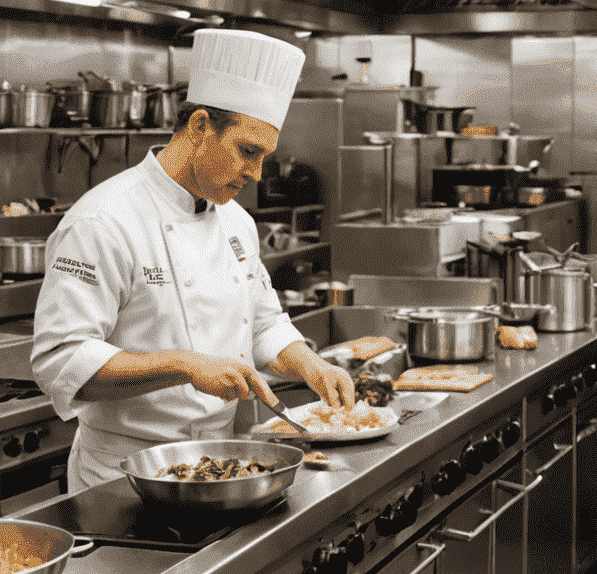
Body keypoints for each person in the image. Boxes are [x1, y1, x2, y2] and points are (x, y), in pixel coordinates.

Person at [32, 30, 356, 491]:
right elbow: (61, 361)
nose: (256, 173)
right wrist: (186, 365)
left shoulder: (237, 222)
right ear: (200, 125)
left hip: (224, 466)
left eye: (264, 156)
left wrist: (310, 364)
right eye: (248, 151)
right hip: (127, 474)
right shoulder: (104, 221)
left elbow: (263, 324)